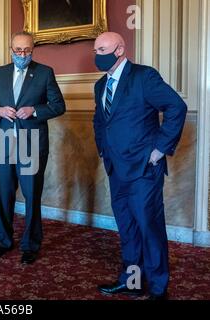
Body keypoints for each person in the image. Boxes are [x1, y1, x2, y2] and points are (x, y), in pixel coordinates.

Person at [92, 32, 187, 300]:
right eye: (95, 50)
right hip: (116, 168)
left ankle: (158, 289)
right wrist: (103, 149)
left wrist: (159, 150)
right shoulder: (100, 85)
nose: (97, 55)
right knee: (128, 228)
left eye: (102, 49)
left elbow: (176, 107)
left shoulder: (144, 76)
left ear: (120, 49)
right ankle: (132, 282)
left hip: (144, 169)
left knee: (149, 228)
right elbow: (100, 121)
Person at [0, 31, 65, 265]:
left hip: (32, 146)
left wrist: (35, 111)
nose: (22, 54)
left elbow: (59, 106)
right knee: (3, 194)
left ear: (33, 49)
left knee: (31, 196)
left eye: (27, 50)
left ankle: (30, 245)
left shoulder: (45, 73)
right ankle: (4, 241)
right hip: (5, 145)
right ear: (11, 49)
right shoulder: (0, 74)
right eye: (18, 50)